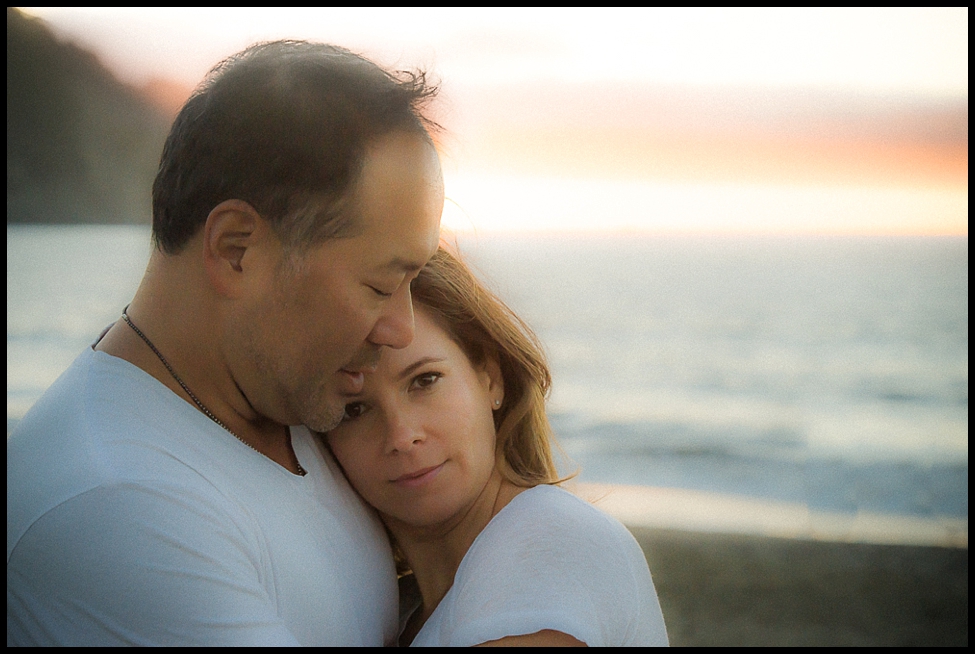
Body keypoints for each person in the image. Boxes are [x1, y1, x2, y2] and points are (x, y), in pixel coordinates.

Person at [7, 40, 444, 646]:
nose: (401, 329)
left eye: (412, 281)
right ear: (236, 250)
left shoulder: (295, 399)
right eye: (379, 285)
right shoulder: (119, 502)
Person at [325, 247, 670, 647]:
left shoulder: (551, 542)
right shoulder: (402, 615)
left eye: (424, 381)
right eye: (355, 410)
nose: (402, 436)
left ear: (490, 378)